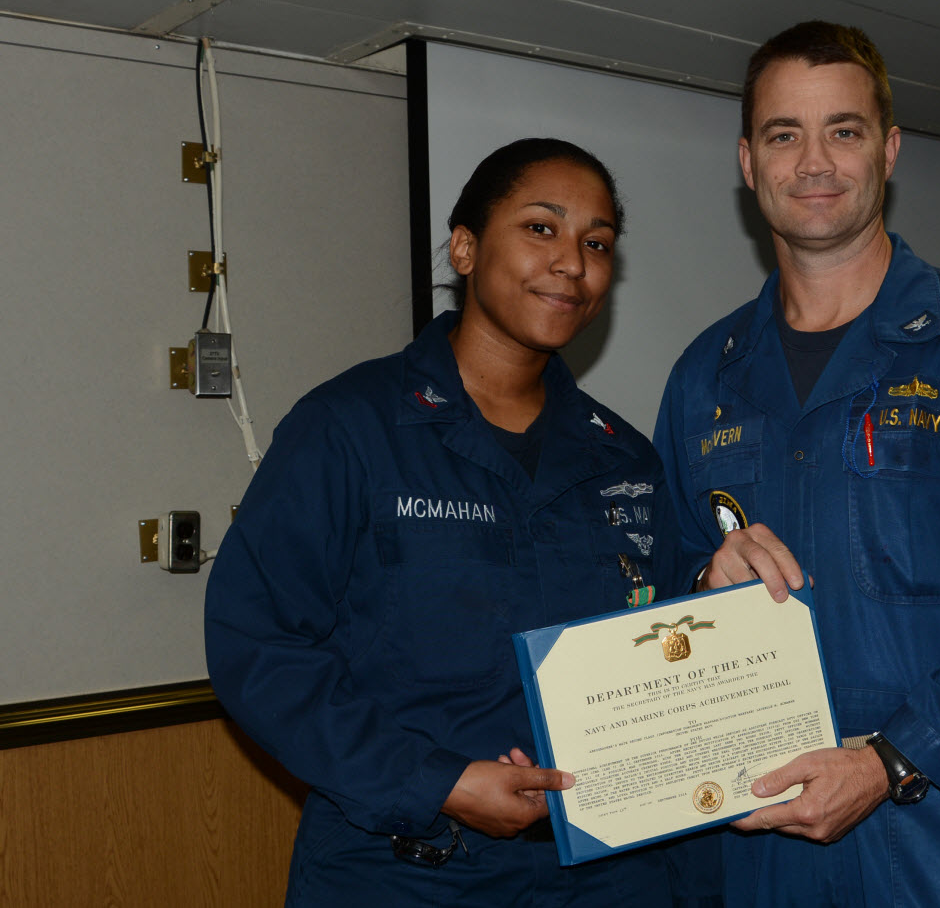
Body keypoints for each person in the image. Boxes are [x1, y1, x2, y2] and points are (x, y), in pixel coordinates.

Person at [653, 22, 940, 906]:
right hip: (758, 831)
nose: (813, 161)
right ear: (748, 162)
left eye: (844, 131)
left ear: (888, 150)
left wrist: (891, 758)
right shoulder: (703, 374)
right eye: (784, 133)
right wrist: (703, 572)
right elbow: (657, 591)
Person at [206, 138, 716, 907]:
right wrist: (437, 780)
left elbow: (666, 642)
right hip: (406, 866)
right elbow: (258, 644)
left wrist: (719, 584)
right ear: (466, 247)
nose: (573, 262)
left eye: (597, 242)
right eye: (541, 228)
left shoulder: (625, 459)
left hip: (609, 873)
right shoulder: (351, 427)